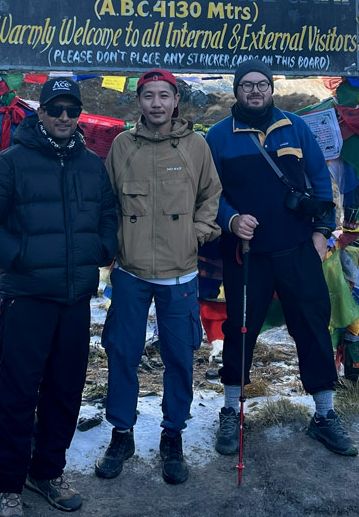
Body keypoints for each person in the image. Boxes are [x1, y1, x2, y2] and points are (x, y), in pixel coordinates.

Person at [0, 77, 118, 517]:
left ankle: (47, 472)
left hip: (75, 300)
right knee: (18, 393)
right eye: (56, 109)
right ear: (41, 112)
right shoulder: (12, 163)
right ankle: (6, 484)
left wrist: (102, 249)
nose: (64, 117)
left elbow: (108, 214)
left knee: (65, 391)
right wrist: (20, 257)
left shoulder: (91, 165)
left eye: (72, 110)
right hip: (28, 297)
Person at [205, 59, 357, 458]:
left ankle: (324, 414)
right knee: (240, 330)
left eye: (262, 84)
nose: (255, 91)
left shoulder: (296, 127)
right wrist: (230, 218)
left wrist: (322, 232)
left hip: (298, 249)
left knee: (312, 326)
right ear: (236, 90)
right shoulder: (218, 136)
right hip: (245, 254)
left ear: (271, 89)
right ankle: (231, 410)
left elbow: (320, 181)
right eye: (247, 85)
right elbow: (207, 191)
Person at [94, 68, 222, 485]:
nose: (156, 103)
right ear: (138, 101)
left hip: (180, 273)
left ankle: (173, 435)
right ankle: (121, 433)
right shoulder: (122, 145)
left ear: (176, 100)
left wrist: (197, 233)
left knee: (179, 356)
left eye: (164, 95)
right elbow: (107, 201)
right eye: (148, 95)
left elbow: (211, 194)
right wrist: (114, 244)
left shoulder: (196, 146)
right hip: (130, 271)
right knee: (122, 352)